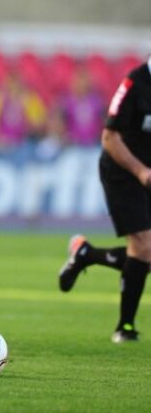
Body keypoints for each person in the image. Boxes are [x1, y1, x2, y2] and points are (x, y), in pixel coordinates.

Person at [58, 54, 151, 343]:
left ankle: (88, 254)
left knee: (146, 251)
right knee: (144, 244)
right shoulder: (135, 83)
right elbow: (109, 138)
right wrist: (141, 171)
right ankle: (125, 327)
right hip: (123, 172)